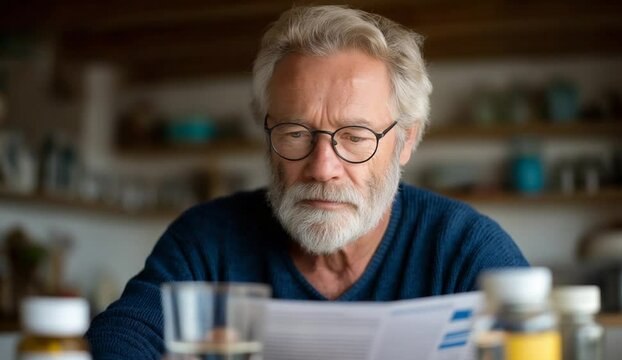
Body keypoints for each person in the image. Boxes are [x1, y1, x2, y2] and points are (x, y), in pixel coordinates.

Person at [86, 5, 528, 359]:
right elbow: (118, 340)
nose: (322, 167)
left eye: (355, 137)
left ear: (405, 142)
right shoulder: (207, 240)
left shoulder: (465, 248)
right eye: (296, 133)